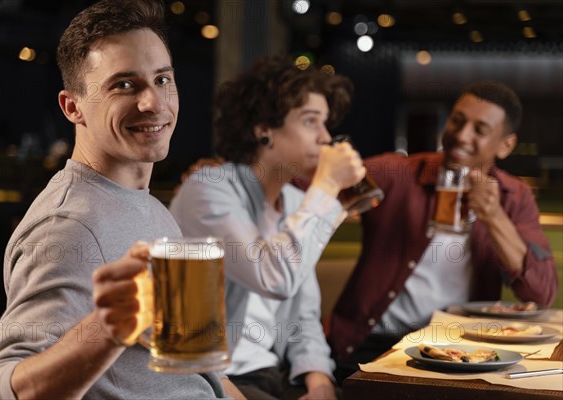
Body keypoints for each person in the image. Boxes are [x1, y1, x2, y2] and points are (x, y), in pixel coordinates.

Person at [0, 1, 243, 398]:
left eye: (163, 79)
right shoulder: (68, 225)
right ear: (73, 107)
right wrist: (106, 331)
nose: (154, 102)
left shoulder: (150, 208)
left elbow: (205, 375)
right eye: (124, 84)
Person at [329, 81, 558, 380]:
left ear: (506, 145)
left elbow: (541, 292)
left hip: (461, 354)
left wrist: (493, 216)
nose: (461, 135)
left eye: (480, 130)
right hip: (370, 347)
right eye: (457, 121)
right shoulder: (398, 174)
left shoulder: (514, 197)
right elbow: (311, 186)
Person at [169, 56, 365, 399]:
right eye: (310, 122)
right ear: (264, 129)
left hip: (273, 373)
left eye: (325, 124)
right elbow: (273, 275)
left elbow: (304, 315)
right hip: (216, 378)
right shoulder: (208, 189)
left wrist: (320, 381)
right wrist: (327, 187)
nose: (325, 138)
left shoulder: (294, 202)